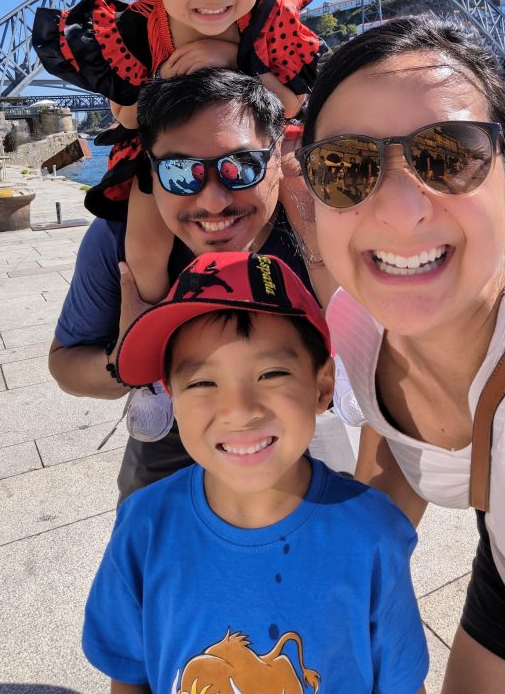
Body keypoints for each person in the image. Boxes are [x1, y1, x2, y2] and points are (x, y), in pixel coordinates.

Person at [295, 14, 505, 693]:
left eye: (448, 156)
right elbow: (390, 449)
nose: (400, 212)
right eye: (347, 168)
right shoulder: (358, 319)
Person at [82, 250, 428, 694]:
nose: (240, 411)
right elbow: (129, 678)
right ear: (171, 397)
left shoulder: (375, 535)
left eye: (272, 373)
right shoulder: (143, 529)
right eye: (203, 382)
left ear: (323, 387)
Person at [33, 0, 325, 303]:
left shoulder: (269, 17)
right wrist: (159, 87)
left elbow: (290, 103)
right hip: (169, 159)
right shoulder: (131, 30)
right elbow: (128, 120)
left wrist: (225, 54)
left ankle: (335, 318)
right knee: (145, 244)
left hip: (258, 149)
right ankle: (155, 324)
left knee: (313, 220)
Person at [49, 70, 351, 502]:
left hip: (309, 419)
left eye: (241, 167)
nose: (213, 202)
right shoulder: (117, 241)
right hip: (174, 434)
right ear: (151, 175)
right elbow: (66, 364)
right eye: (179, 172)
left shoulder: (327, 224)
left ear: (279, 156)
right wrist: (126, 359)